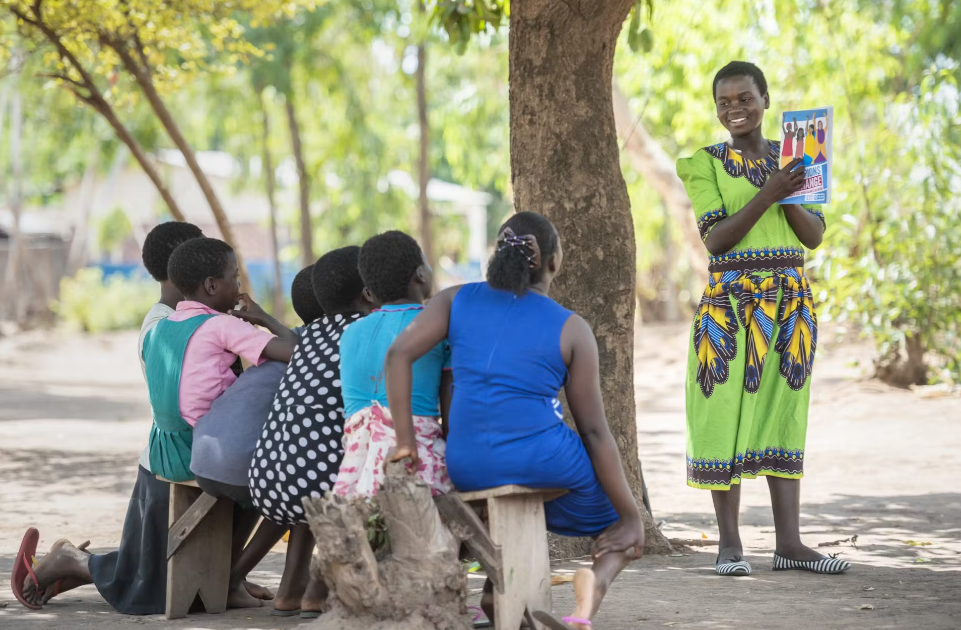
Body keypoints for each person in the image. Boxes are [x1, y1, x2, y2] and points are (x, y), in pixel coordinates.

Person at [384, 212, 646, 630]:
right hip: (541, 457)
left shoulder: (454, 300)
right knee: (618, 531)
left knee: (512, 510)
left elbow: (398, 354)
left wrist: (405, 442)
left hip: (467, 462)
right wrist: (631, 516)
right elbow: (594, 430)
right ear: (554, 262)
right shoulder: (572, 327)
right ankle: (589, 592)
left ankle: (497, 596)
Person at [675, 60, 847, 576]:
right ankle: (729, 546)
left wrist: (786, 187)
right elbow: (716, 239)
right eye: (724, 102)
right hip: (729, 309)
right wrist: (767, 193)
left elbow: (812, 236)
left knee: (781, 413)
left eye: (745, 98)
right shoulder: (704, 164)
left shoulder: (800, 156)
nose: (735, 109)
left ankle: (789, 544)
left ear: (766, 100)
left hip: (789, 304)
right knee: (722, 415)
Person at [11, 221, 205, 613]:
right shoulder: (163, 326)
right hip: (167, 467)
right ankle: (70, 561)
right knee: (147, 591)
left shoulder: (193, 317)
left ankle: (73, 563)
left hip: (185, 456)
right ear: (179, 268)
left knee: (170, 583)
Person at [248, 246, 375, 618]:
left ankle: (291, 592)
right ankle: (321, 592)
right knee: (372, 468)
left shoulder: (309, 334)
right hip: (314, 486)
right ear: (369, 291)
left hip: (267, 481)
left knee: (317, 459)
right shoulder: (365, 332)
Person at [190, 264, 325, 608]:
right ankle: (281, 586)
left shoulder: (283, 341)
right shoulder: (325, 349)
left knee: (293, 485)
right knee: (306, 488)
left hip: (203, 456)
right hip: (239, 465)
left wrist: (264, 318)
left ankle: (252, 580)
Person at [333, 231, 453, 499]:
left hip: (355, 473)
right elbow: (451, 418)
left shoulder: (350, 334)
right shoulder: (437, 328)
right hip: (415, 462)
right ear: (421, 274)